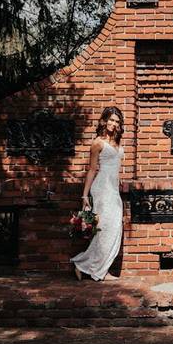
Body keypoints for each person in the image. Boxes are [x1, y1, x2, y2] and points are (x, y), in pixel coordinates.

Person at [71, 107, 124, 281]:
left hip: (113, 190)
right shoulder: (98, 143)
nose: (114, 124)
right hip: (101, 189)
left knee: (114, 229)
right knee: (105, 230)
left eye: (117, 121)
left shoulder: (117, 144)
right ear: (104, 121)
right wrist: (85, 196)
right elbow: (92, 170)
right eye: (111, 120)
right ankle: (96, 269)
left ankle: (89, 266)